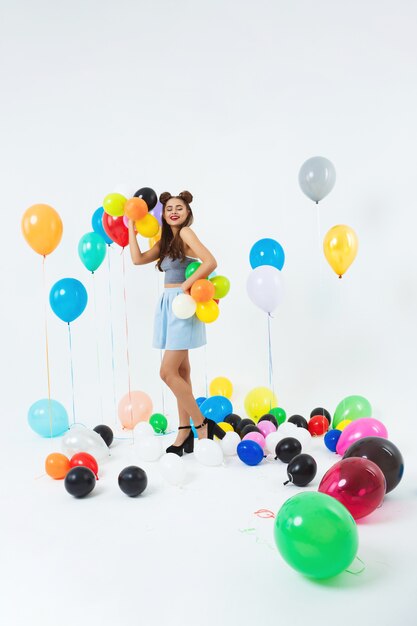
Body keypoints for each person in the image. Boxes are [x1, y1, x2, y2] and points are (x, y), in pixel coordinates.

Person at [128, 190, 224, 456]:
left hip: (183, 306)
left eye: (179, 208)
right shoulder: (166, 240)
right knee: (181, 373)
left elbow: (211, 261)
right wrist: (131, 228)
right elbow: (137, 259)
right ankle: (184, 431)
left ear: (187, 213)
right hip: (169, 305)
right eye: (169, 207)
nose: (174, 211)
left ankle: (202, 423)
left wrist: (186, 284)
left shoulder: (185, 234)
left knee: (166, 372)